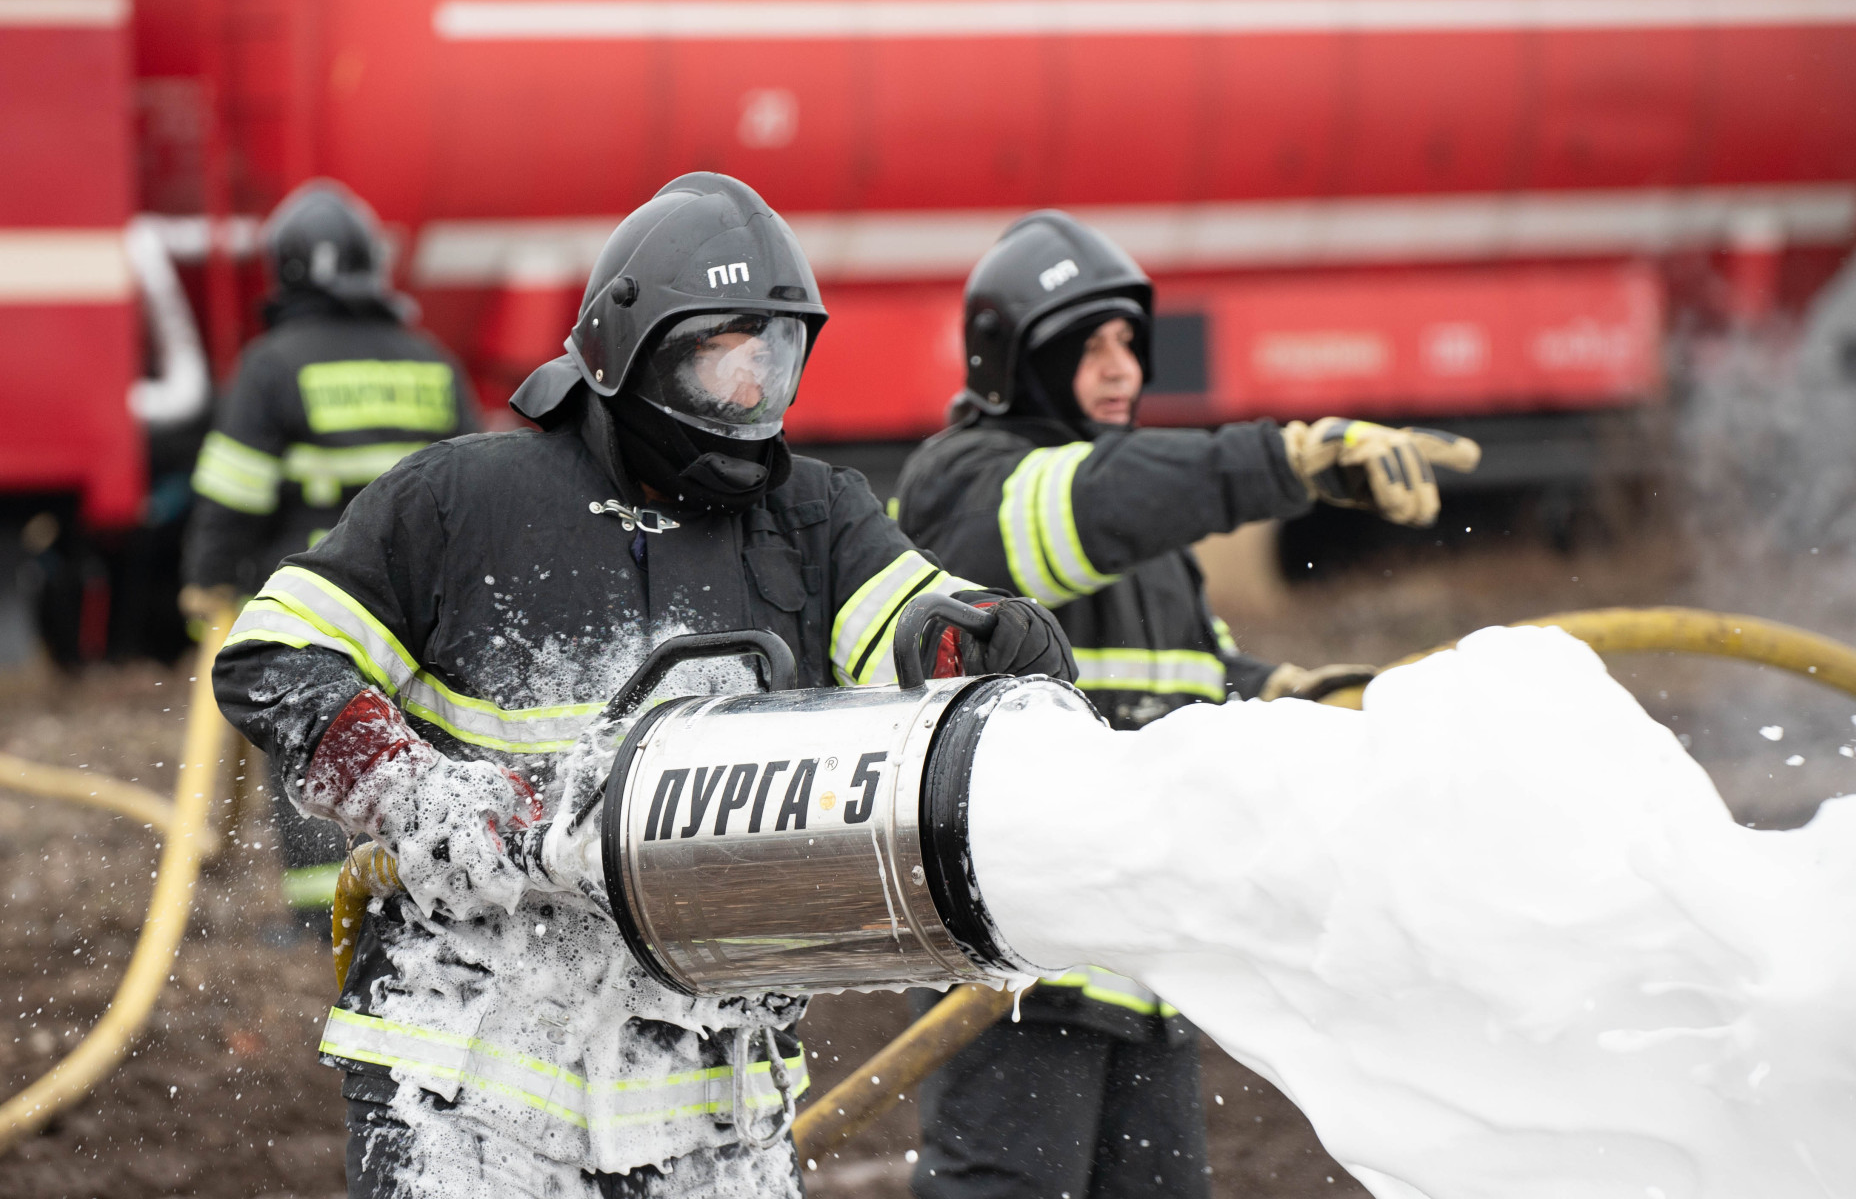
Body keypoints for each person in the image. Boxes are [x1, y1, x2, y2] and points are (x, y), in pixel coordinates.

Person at [209, 173, 1077, 1199]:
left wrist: (970, 638)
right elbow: (270, 651)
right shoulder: (464, 503)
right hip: (470, 1081)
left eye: (779, 358)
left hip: (713, 1100)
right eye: (726, 359)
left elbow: (907, 619)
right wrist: (415, 791)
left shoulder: (812, 517)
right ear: (632, 353)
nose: (754, 394)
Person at [893, 210, 1480, 1199]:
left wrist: (1300, 696)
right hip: (1018, 973)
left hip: (1142, 966)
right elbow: (1093, 503)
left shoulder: (1148, 540)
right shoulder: (970, 488)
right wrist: (1288, 460)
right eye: (1090, 343)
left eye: (1129, 340)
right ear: (1018, 362)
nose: (1122, 365)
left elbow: (1196, 678)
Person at [180, 180, 481, 926]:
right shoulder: (431, 361)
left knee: (324, 741)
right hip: (433, 611)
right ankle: (437, 891)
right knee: (429, 746)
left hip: (324, 608)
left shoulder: (273, 365)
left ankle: (328, 915)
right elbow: (479, 485)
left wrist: (206, 585)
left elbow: (232, 496)